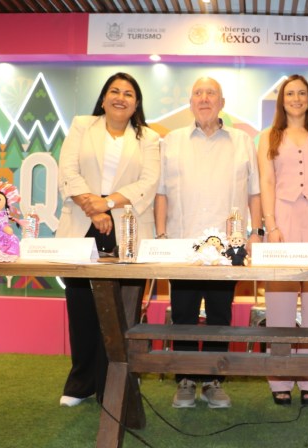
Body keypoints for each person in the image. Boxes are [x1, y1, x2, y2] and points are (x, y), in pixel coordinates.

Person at [155, 76, 263, 409]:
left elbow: (254, 192)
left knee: (219, 315)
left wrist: (255, 233)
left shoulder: (242, 141)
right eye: (198, 93)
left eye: (211, 93)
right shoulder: (172, 141)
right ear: (190, 102)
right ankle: (186, 380)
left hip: (227, 249)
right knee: (183, 315)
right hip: (183, 247)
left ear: (222, 103)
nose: (204, 98)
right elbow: (161, 193)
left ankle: (215, 381)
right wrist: (161, 237)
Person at [56, 72, 161, 407]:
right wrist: (93, 208)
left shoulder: (149, 138)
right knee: (81, 307)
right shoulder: (82, 126)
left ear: (136, 103)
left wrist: (107, 203)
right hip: (83, 223)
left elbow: (148, 182)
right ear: (103, 99)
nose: (120, 97)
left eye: (128, 93)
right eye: (114, 91)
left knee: (122, 311)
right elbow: (68, 171)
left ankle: (114, 385)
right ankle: (80, 383)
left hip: (127, 227)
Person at [257, 74, 308, 406]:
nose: (296, 98)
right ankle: (279, 378)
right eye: (290, 93)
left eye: (301, 93)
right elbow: (266, 181)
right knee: (279, 301)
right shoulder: (268, 136)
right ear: (282, 100)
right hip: (283, 217)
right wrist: (271, 225)